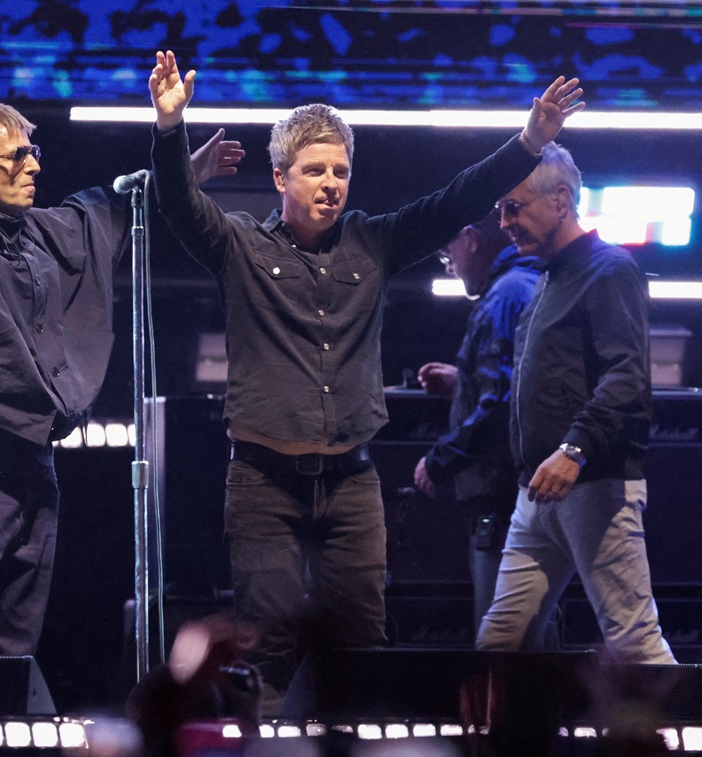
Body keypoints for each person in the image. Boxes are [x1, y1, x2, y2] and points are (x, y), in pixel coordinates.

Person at [147, 49, 584, 711]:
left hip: (351, 484)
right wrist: (168, 127)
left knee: (361, 647)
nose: (331, 184)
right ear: (280, 177)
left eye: (341, 171)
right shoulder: (239, 245)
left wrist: (528, 142)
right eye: (314, 170)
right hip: (263, 484)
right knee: (267, 647)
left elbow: (455, 201)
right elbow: (179, 205)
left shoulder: (373, 242)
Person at [0, 102, 242, 656]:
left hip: (36, 462)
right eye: (17, 155)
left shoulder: (46, 232)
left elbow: (120, 206)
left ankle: (2, 715)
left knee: (16, 639)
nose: (34, 165)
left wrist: (183, 169)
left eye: (34, 152)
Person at [475, 143, 676, 663]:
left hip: (593, 485)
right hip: (538, 492)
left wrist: (574, 450)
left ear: (561, 201)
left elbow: (627, 377)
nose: (504, 222)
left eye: (514, 207)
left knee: (636, 646)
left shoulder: (609, 270)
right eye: (500, 210)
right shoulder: (549, 277)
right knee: (498, 647)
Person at [412, 210, 541, 635]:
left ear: (470, 239)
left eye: (447, 251)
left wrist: (438, 460)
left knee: (501, 639)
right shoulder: (533, 283)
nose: (449, 265)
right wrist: (464, 383)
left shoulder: (503, 297)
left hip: (499, 497)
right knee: (532, 634)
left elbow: (501, 403)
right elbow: (523, 386)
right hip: (526, 493)